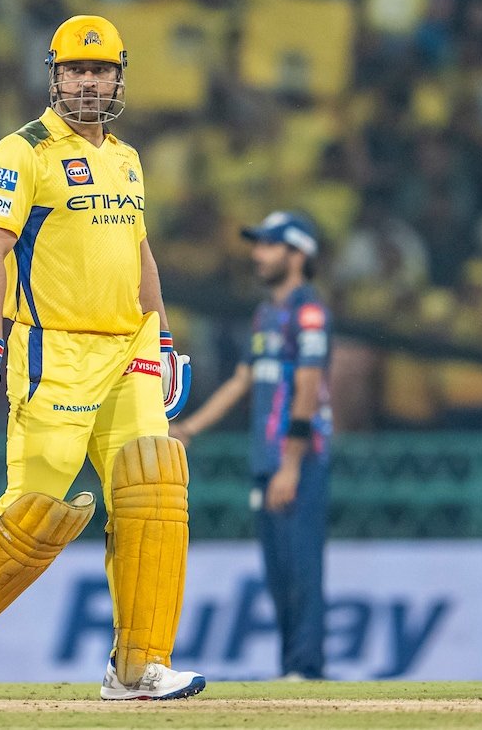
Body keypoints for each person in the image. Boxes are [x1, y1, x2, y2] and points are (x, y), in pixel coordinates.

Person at [0, 15, 201, 702]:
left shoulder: (127, 158)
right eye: (76, 70)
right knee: (34, 511)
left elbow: (139, 252)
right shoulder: (24, 151)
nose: (88, 82)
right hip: (54, 349)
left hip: (129, 347)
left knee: (154, 491)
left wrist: (164, 339)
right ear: (55, 77)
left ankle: (138, 667)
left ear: (119, 79)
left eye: (101, 70)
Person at [171, 211, 331, 681]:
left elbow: (308, 387)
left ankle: (307, 668)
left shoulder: (309, 311)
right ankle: (292, 668)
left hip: (298, 459)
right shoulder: (266, 314)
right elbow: (242, 380)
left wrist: (290, 464)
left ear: (298, 254)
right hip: (267, 458)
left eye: (269, 244)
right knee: (279, 571)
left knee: (301, 565)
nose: (257, 254)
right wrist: (190, 428)